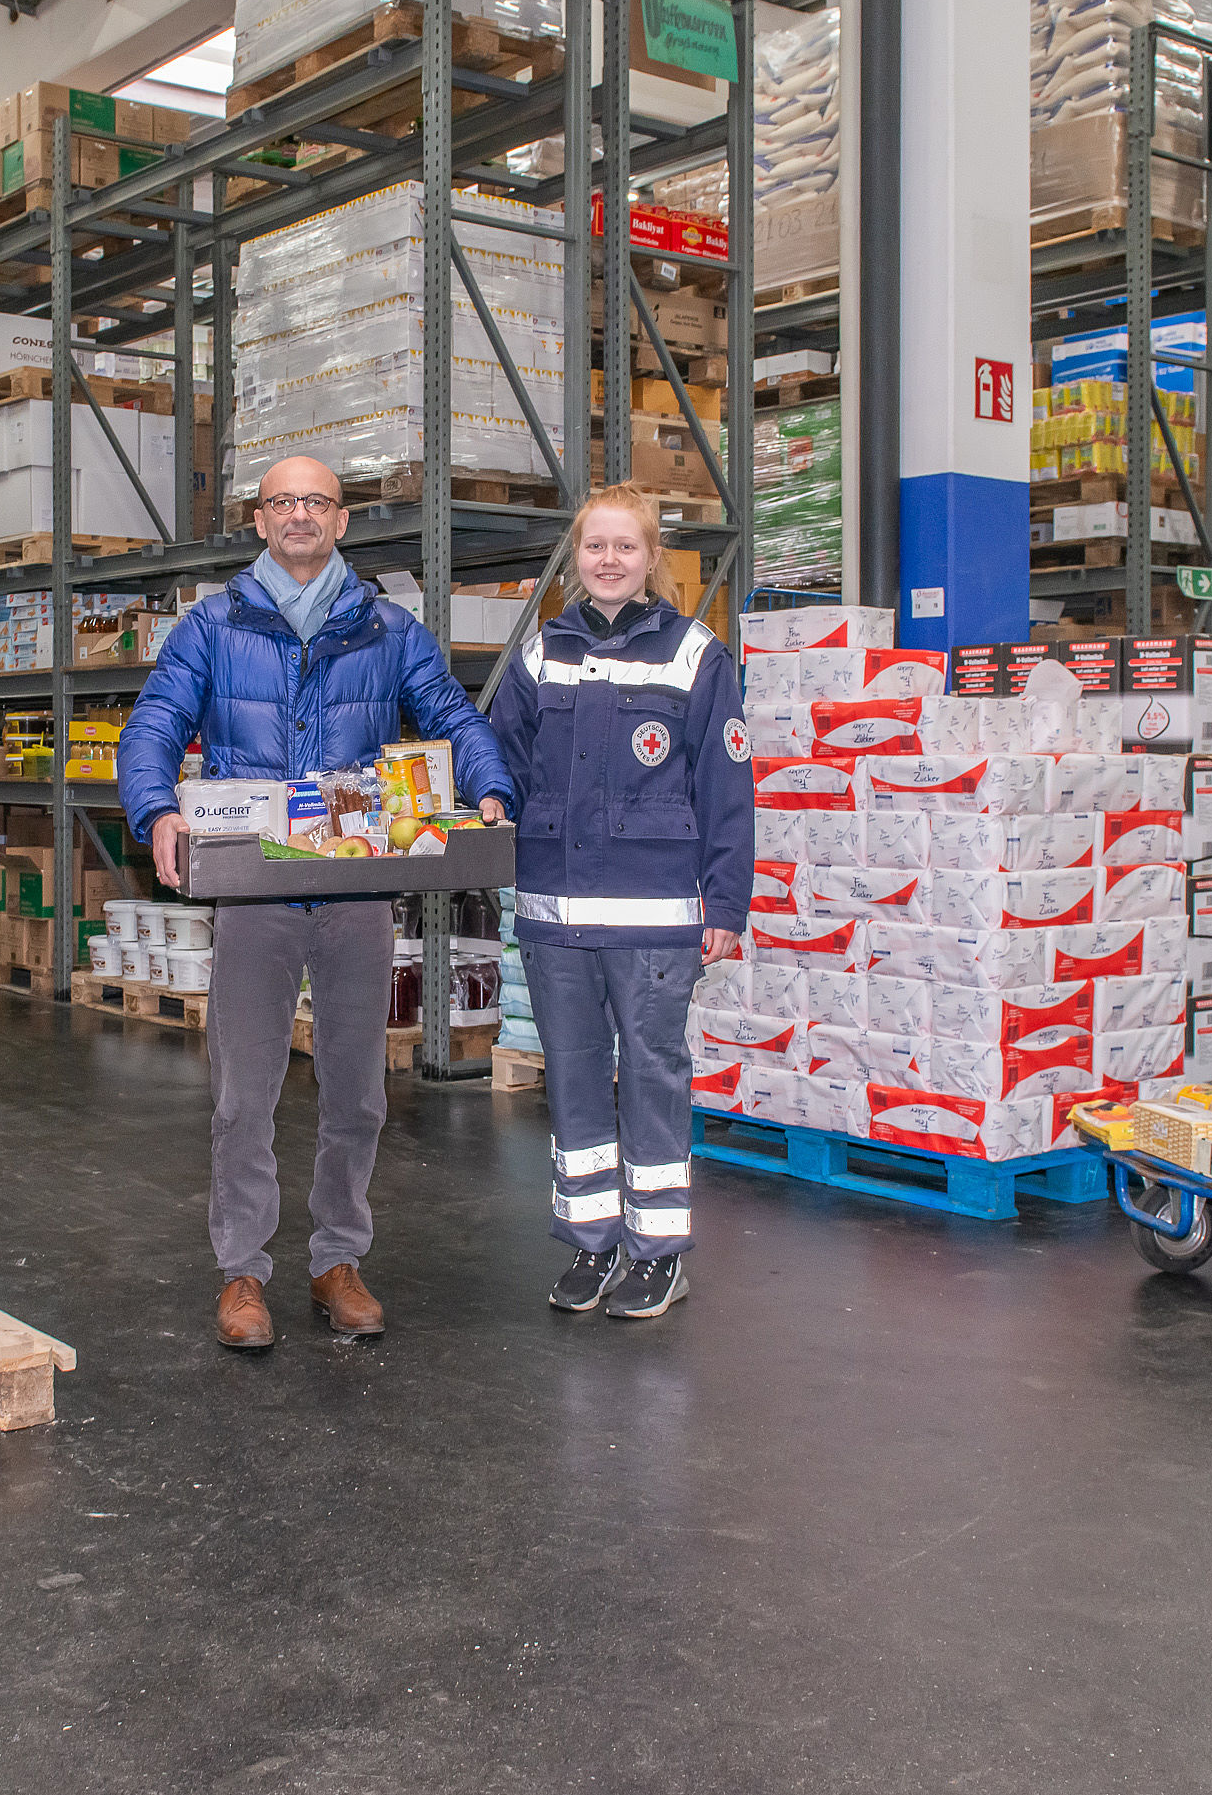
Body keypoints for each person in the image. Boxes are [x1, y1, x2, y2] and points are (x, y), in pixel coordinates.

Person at [117, 454, 516, 1351]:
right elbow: (154, 724)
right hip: (255, 889)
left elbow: (450, 713)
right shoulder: (211, 626)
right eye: (282, 501)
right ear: (260, 520)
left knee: (357, 1090)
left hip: (355, 887)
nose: (299, 514)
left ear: (341, 521)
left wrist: (489, 784)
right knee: (243, 1092)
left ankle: (338, 1258)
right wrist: (156, 807)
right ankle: (242, 1270)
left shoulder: (388, 629)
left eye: (317, 502)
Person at [485, 483, 749, 1321]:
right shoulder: (542, 654)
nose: (608, 560)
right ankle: (591, 1240)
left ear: (650, 558)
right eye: (594, 546)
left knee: (651, 1074)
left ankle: (658, 1251)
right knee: (571, 1075)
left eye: (624, 546)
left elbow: (727, 788)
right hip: (555, 915)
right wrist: (481, 798)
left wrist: (727, 906)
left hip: (653, 918)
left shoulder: (695, 656)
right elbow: (500, 756)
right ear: (576, 557)